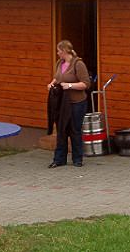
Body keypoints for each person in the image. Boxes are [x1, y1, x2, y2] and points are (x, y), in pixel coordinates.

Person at [47, 40, 91, 168]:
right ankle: (59, 159)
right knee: (61, 130)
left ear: (64, 51)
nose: (57, 53)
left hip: (77, 103)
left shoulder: (78, 64)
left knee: (75, 130)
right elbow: (58, 77)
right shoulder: (59, 63)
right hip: (63, 103)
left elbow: (85, 84)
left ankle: (78, 158)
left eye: (59, 51)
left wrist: (70, 86)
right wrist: (52, 83)